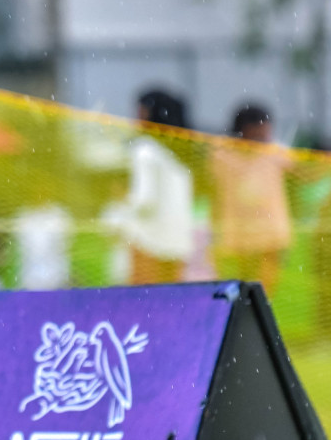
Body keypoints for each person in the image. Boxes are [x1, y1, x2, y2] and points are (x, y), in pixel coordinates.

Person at [113, 87, 194, 284]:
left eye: (140, 113)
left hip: (147, 241)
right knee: (173, 305)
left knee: (144, 307)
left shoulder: (144, 150)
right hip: (177, 241)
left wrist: (121, 210)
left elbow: (143, 200)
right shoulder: (183, 155)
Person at [212, 103, 293, 294]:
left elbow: (302, 172)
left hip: (271, 233)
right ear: (242, 131)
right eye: (257, 134)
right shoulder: (222, 155)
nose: (261, 139)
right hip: (239, 233)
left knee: (265, 288)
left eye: (265, 134)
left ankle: (259, 319)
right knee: (242, 286)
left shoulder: (276, 153)